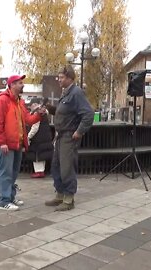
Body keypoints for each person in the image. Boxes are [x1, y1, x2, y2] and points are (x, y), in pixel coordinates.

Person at [0, 74, 45, 211]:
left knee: (13, 173)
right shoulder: (2, 101)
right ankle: (3, 201)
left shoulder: (19, 102)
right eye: (20, 83)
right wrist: (1, 142)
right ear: (12, 85)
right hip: (6, 145)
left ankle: (9, 197)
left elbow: (27, 119)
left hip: (17, 144)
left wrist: (39, 114)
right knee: (5, 173)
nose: (22, 85)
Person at [45, 65, 94, 211]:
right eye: (58, 77)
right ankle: (60, 194)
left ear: (70, 78)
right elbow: (64, 112)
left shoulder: (76, 93)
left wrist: (79, 131)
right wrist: (48, 108)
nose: (59, 80)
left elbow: (88, 114)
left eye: (62, 77)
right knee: (56, 166)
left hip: (69, 136)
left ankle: (69, 199)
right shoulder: (65, 93)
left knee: (66, 167)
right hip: (60, 136)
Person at [26, 98, 53, 178]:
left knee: (37, 155)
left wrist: (28, 137)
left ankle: (39, 171)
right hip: (45, 137)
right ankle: (41, 170)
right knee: (43, 154)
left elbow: (35, 127)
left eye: (32, 105)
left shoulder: (36, 114)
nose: (31, 107)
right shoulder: (44, 113)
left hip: (38, 138)